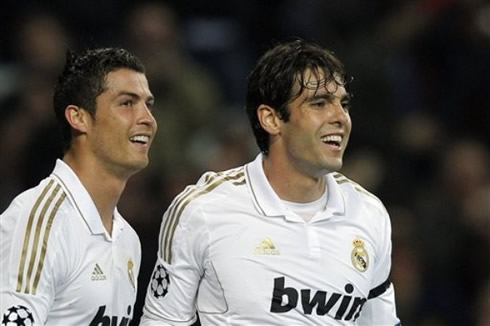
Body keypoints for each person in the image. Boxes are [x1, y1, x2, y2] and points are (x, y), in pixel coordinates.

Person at [141, 38, 400, 325]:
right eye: (319, 103)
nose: (340, 117)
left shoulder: (369, 213)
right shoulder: (203, 210)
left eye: (343, 104)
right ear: (271, 119)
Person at [0, 47, 157, 324]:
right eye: (127, 103)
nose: (148, 119)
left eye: (148, 104)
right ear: (79, 117)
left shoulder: (127, 239)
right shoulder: (39, 223)